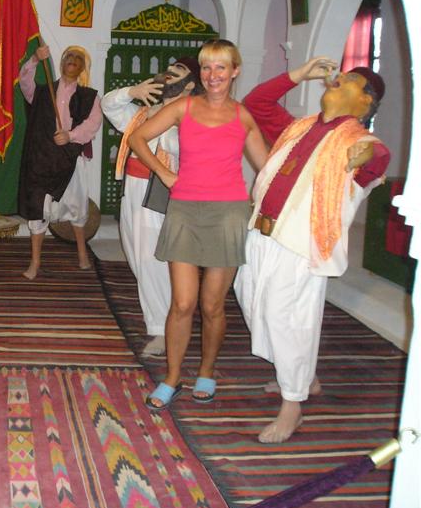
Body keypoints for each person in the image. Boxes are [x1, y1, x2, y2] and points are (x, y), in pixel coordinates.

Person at [234, 57, 390, 443]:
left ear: (366, 101)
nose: (337, 79)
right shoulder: (300, 127)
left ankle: (293, 406)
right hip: (262, 231)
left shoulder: (359, 141)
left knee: (285, 318)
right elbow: (256, 103)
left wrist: (363, 156)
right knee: (250, 300)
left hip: (301, 245)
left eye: (349, 79)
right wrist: (299, 74)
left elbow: (376, 159)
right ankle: (302, 375)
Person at [128, 39, 268, 410]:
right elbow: (138, 138)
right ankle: (172, 377)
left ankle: (206, 371)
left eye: (221, 67)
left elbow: (267, 168)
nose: (212, 75)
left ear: (235, 71)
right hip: (185, 211)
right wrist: (164, 174)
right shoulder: (183, 107)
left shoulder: (243, 116)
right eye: (207, 67)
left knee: (212, 305)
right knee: (182, 302)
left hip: (228, 214)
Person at [101, 57, 202, 355]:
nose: (169, 72)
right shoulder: (143, 114)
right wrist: (132, 92)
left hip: (159, 193)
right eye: (170, 67)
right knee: (137, 256)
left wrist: (169, 124)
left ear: (190, 85)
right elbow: (108, 105)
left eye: (179, 71)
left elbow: (179, 150)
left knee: (151, 260)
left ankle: (162, 329)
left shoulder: (191, 116)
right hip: (133, 191)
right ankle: (169, 314)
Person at [17, 44, 102, 280]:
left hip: (70, 158)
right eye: (68, 56)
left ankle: (82, 254)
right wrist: (35, 59)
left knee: (76, 206)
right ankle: (35, 262)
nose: (72, 59)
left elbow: (93, 124)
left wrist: (70, 136)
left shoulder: (90, 97)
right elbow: (25, 82)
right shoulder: (43, 92)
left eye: (78, 57)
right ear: (62, 62)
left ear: (83, 67)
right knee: (38, 208)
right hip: (42, 158)